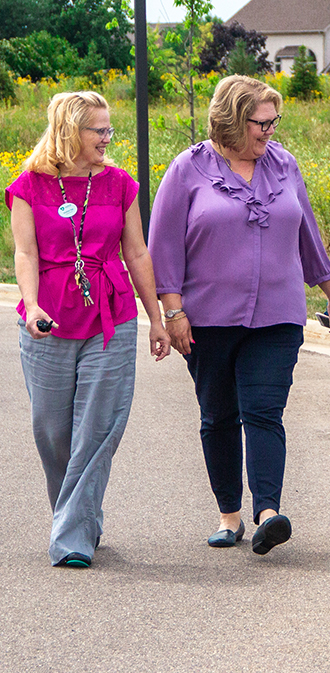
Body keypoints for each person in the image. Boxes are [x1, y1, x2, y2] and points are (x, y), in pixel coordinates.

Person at [148, 75, 330, 556]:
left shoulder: (284, 165)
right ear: (232, 120)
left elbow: (308, 235)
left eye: (273, 121)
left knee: (264, 411)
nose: (270, 131)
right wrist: (172, 311)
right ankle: (229, 516)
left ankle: (267, 513)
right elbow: (164, 245)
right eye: (261, 123)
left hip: (277, 315)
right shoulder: (188, 169)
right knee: (218, 416)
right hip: (207, 318)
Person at [6, 91, 171, 568]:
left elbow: (137, 253)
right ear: (68, 131)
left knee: (99, 429)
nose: (107, 138)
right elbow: (26, 254)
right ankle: (79, 517)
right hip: (49, 322)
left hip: (110, 318)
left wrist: (155, 318)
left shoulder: (120, 184)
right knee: (53, 432)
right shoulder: (29, 187)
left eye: (109, 129)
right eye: (98, 130)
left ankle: (72, 537)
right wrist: (33, 304)